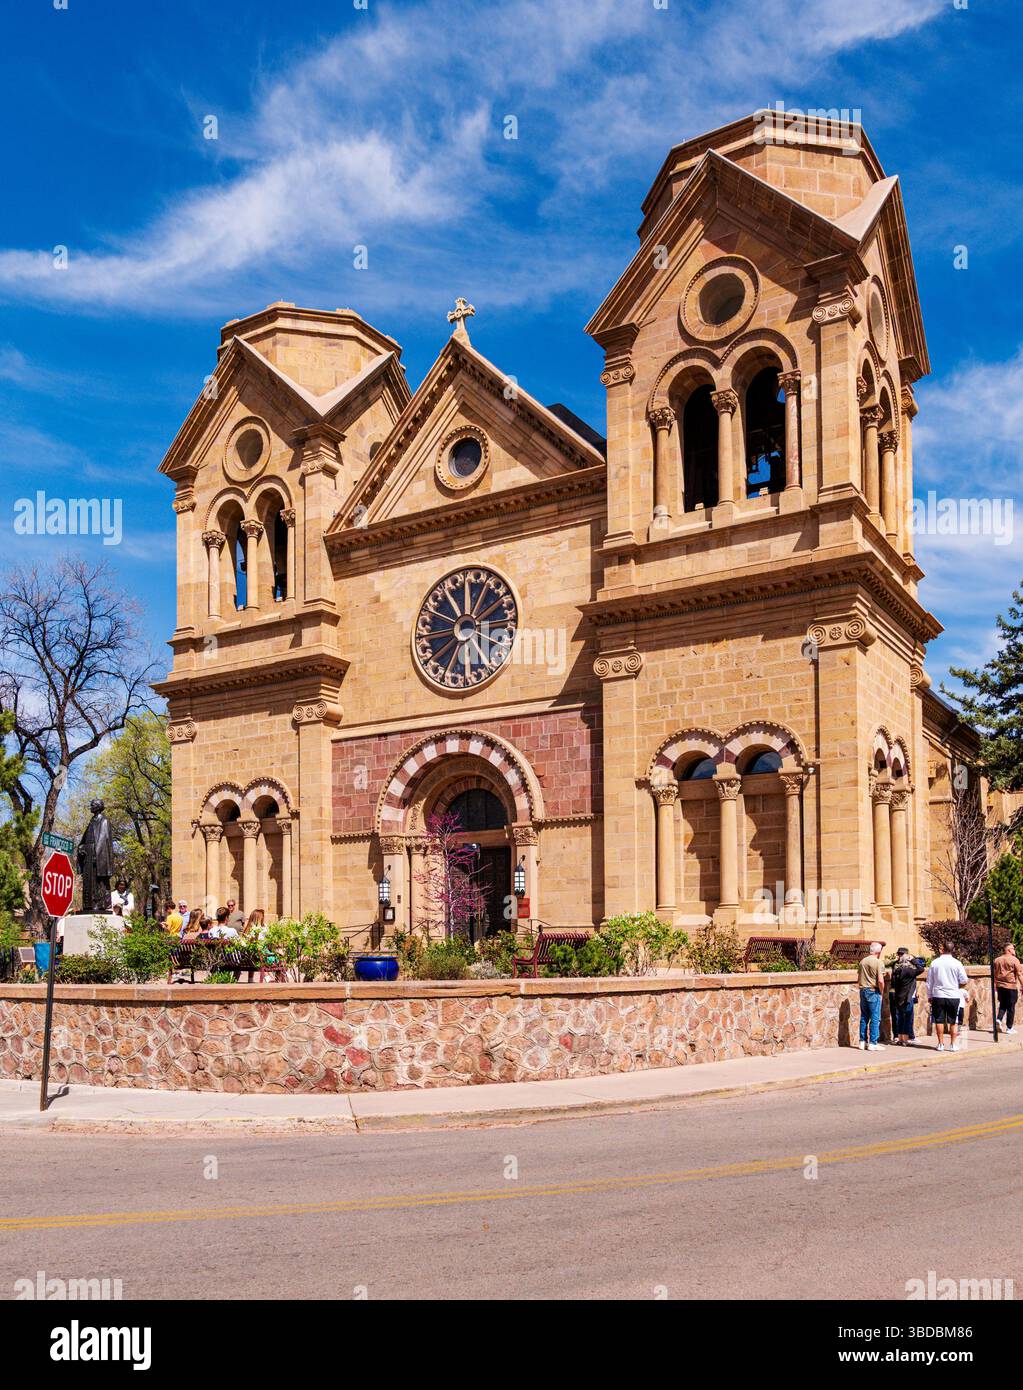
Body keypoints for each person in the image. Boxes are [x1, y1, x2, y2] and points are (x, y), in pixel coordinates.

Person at [927, 942, 969, 1052]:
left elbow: (929, 982)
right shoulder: (957, 963)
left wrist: (929, 995)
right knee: (953, 1021)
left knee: (939, 1020)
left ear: (942, 949)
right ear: (952, 949)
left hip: (938, 995)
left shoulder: (935, 963)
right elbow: (964, 980)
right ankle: (953, 1044)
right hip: (953, 995)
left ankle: (940, 1044)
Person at [890, 947, 926, 1045]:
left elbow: (893, 983)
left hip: (898, 997)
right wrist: (913, 960)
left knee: (900, 1018)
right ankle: (905, 1040)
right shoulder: (909, 971)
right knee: (907, 1019)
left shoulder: (896, 971)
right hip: (907, 998)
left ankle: (900, 1039)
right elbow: (921, 968)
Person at [857, 942, 887, 1051]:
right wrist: (882, 991)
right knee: (875, 1017)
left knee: (864, 1016)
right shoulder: (879, 962)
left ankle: (862, 1041)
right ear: (879, 951)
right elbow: (880, 980)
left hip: (863, 989)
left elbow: (858, 977)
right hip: (873, 990)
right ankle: (873, 1042)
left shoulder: (862, 961)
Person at [994, 942, 1023, 1035]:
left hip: (1000, 986)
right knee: (1011, 1007)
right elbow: (1019, 974)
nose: (1014, 950)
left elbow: (994, 974)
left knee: (1003, 1004)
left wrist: (996, 985)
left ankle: (998, 1019)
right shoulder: (1015, 960)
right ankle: (1009, 1028)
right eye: (1013, 949)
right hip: (1011, 986)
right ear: (1009, 950)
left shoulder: (997, 960)